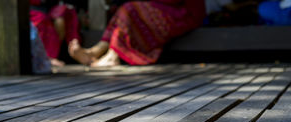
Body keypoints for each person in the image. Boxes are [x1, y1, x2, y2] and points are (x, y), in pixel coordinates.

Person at [71, 0, 206, 67]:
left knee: (130, 10)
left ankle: (112, 56)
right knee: (126, 10)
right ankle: (94, 52)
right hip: (163, 7)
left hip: (183, 13)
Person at [30, 0, 86, 66]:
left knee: (67, 16)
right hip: (34, 9)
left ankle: (75, 46)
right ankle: (48, 56)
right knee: (42, 20)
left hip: (51, 7)